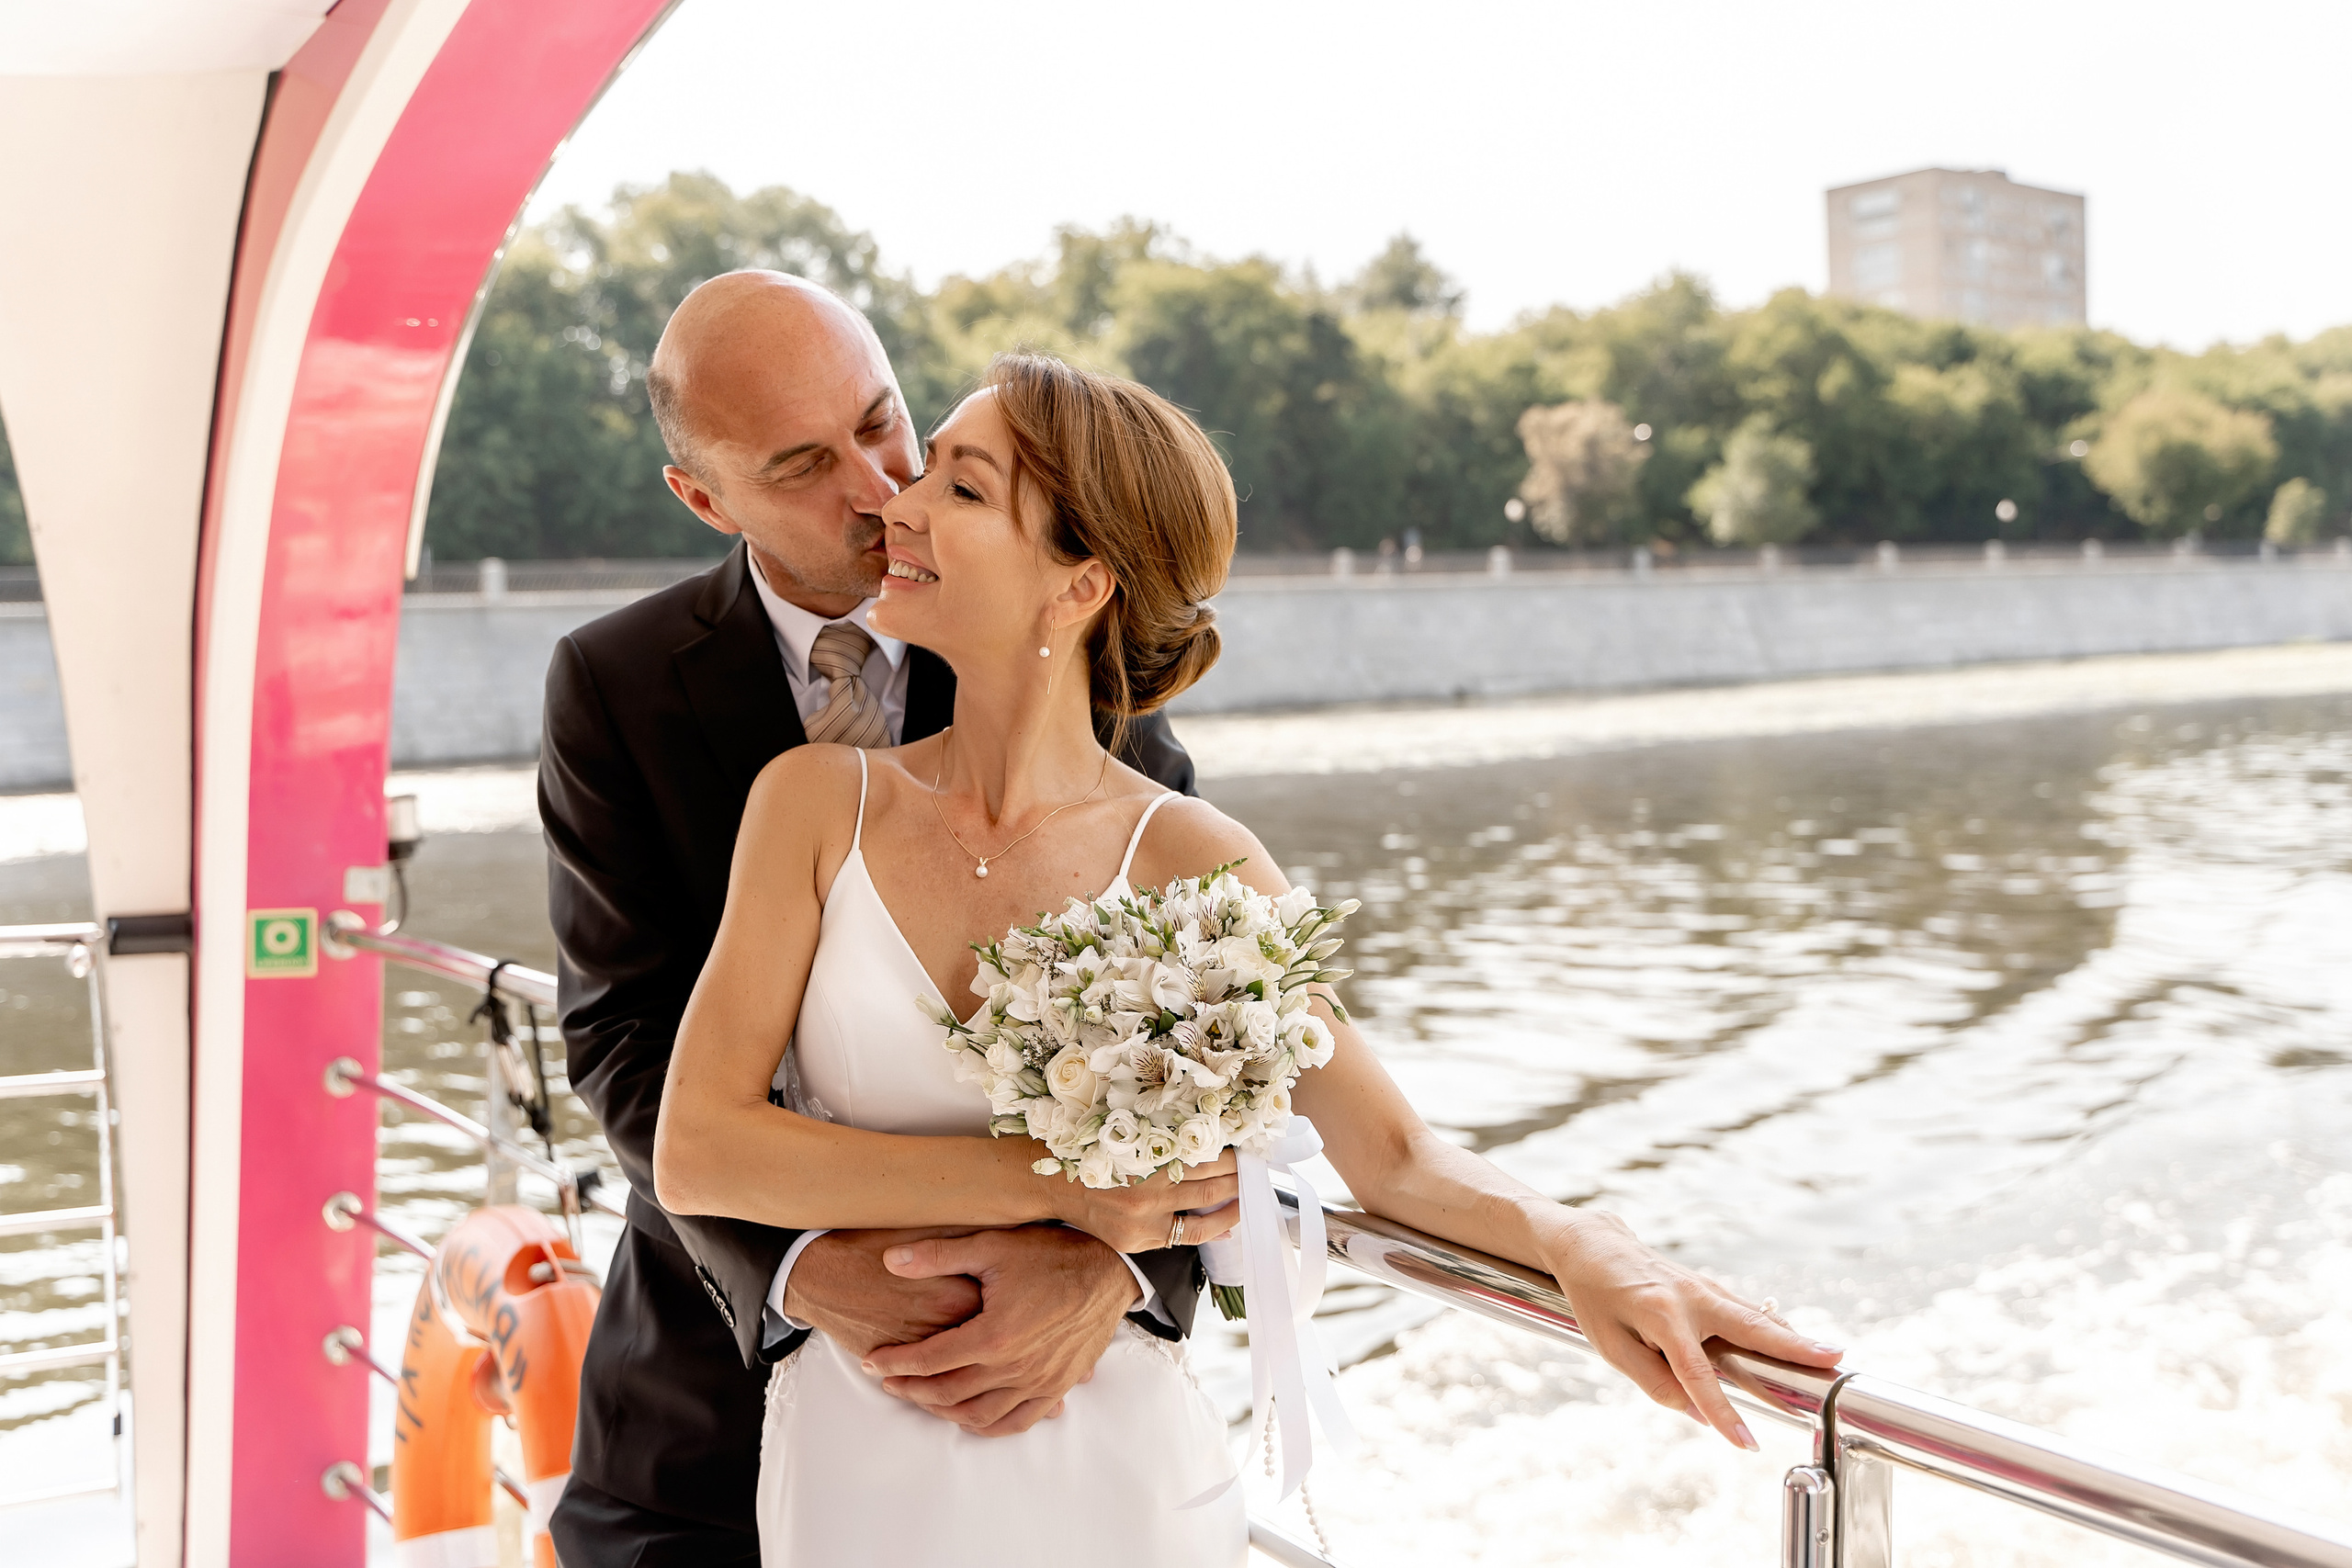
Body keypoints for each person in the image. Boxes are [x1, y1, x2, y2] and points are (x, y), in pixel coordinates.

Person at [654, 353, 1846, 1565]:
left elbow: (1394, 1154)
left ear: (1078, 584)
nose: (893, 503)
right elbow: (699, 1149)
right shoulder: (810, 804)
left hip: (1112, 1471)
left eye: (960, 490)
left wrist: (1592, 1245)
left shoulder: (1196, 859)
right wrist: (1058, 1192)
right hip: (858, 1470)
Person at [540, 273, 1204, 1568]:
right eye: (802, 463)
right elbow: (622, 1043)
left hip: (1045, 1390)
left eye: (884, 422)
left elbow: (1194, 1058)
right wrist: (802, 1270)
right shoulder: (611, 684)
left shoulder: (1068, 642)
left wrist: (1114, 1273)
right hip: (698, 1401)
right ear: (704, 498)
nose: (876, 485)